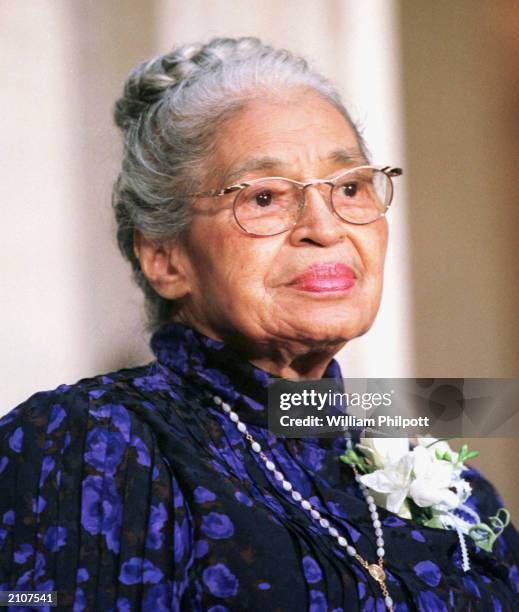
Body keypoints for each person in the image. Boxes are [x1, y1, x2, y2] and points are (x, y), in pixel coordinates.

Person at [1, 37, 518, 611]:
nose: (325, 227)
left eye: (349, 187)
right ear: (165, 258)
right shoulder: (94, 439)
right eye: (266, 197)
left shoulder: (430, 467)